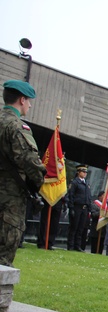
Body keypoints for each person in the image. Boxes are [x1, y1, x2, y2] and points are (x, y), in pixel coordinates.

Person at [0, 80, 45, 267]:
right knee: (3, 256)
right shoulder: (16, 127)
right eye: (29, 101)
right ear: (21, 99)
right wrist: (39, 181)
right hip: (9, 199)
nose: (30, 105)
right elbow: (30, 162)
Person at [66, 164, 92, 251]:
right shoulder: (75, 182)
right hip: (77, 207)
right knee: (74, 227)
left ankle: (77, 245)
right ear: (78, 172)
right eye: (83, 172)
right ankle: (70, 245)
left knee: (81, 228)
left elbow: (89, 197)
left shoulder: (86, 183)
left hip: (84, 208)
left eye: (86, 172)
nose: (85, 174)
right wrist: (71, 207)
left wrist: (89, 208)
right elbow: (71, 195)